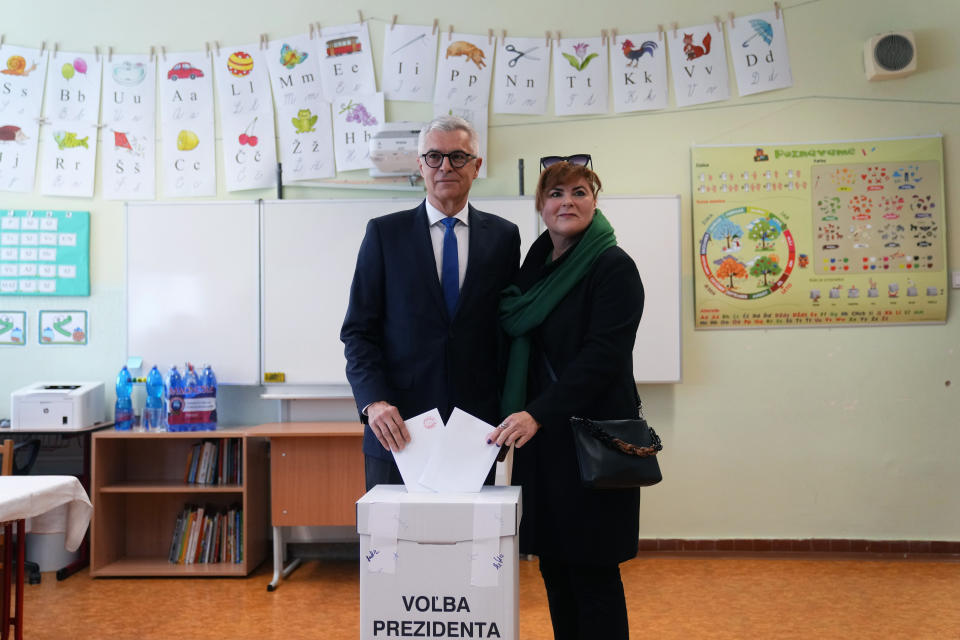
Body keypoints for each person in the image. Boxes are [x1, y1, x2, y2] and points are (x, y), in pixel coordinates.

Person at [488, 156, 645, 640]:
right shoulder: (535, 269)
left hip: (591, 441)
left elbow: (603, 357)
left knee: (593, 572)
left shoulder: (612, 266)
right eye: (556, 194)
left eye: (579, 192)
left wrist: (536, 413)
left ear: (594, 203)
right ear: (540, 206)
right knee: (555, 568)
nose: (567, 202)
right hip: (545, 445)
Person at [341, 115, 521, 491]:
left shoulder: (504, 238)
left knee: (469, 546)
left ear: (477, 166)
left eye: (458, 156)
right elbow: (358, 331)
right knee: (396, 547)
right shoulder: (384, 234)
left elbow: (507, 332)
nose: (446, 167)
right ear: (420, 165)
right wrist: (373, 402)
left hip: (474, 431)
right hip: (399, 430)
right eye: (434, 156)